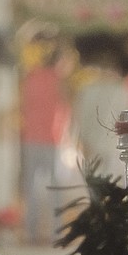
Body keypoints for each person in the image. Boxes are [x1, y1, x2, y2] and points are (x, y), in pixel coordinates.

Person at [20, 42, 75, 244]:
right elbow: (67, 108)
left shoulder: (31, 76)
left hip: (30, 138)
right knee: (55, 189)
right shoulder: (59, 80)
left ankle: (31, 232)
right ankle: (56, 232)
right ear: (60, 61)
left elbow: (22, 103)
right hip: (53, 140)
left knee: (31, 187)